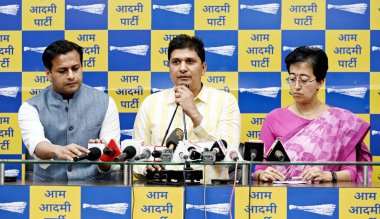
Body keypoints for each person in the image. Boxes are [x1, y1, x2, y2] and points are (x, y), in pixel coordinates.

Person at [254, 46, 372, 183]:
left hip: (326, 194)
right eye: (292, 79)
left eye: (304, 80)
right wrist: (262, 175)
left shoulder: (339, 121)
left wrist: (328, 175)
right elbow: (259, 169)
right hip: (281, 196)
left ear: (320, 82)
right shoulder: (274, 118)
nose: (296, 86)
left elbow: (351, 172)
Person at [133, 34, 241, 182]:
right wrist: (145, 168)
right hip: (160, 192)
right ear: (169, 68)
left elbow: (229, 154)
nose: (182, 68)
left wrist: (194, 113)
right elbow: (135, 156)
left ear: (203, 68)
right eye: (176, 62)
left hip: (209, 192)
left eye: (190, 62)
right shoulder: (151, 103)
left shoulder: (225, 101)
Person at [18, 40, 120, 182]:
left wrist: (102, 157)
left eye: (75, 68)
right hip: (47, 194)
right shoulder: (30, 107)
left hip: (94, 190)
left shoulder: (106, 102)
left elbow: (112, 162)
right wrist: (57, 150)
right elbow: (36, 144)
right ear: (48, 73)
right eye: (62, 71)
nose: (71, 76)